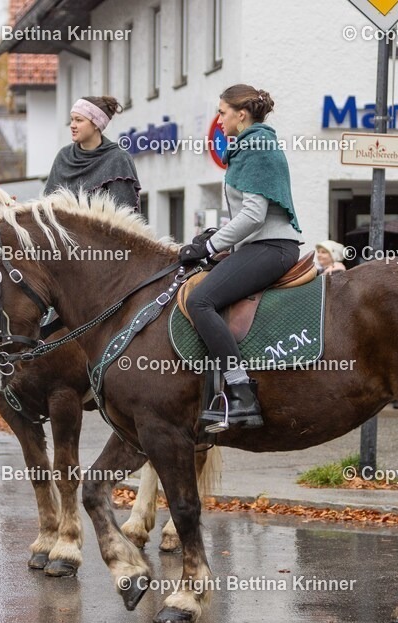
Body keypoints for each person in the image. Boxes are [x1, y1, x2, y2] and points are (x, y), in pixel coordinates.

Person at [178, 84, 303, 429]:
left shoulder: (256, 147)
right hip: (259, 245)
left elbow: (253, 216)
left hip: (272, 247)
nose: (218, 120)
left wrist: (209, 246)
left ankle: (240, 391)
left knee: (200, 301)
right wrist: (214, 240)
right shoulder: (250, 145)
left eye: (222, 112)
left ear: (241, 114)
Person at [44, 95, 141, 211]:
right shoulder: (64, 156)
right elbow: (46, 207)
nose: (72, 125)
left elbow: (125, 217)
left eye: (79, 120)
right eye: (72, 119)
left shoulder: (118, 159)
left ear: (96, 124)